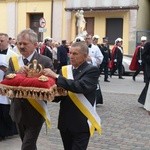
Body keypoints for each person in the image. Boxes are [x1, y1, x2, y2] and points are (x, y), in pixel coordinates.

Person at [43, 42, 102, 150]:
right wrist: (47, 93)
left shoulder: (91, 70)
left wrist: (56, 76)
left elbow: (80, 87)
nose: (71, 56)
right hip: (65, 121)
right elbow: (61, 94)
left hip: (81, 122)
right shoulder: (65, 70)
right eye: (70, 53)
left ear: (84, 56)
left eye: (75, 54)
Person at [7, 29, 53, 150]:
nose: (21, 46)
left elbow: (50, 85)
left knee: (27, 145)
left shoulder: (45, 61)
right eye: (19, 43)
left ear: (35, 44)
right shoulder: (13, 61)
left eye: (25, 44)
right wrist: (17, 73)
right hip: (18, 110)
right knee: (28, 144)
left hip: (36, 110)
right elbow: (7, 79)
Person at [0, 33, 18, 141]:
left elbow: (17, 72)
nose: (0, 43)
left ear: (7, 41)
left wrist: (6, 70)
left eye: (2, 41)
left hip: (6, 86)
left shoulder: (13, 55)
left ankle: (7, 131)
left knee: (5, 111)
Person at [85, 34, 104, 105]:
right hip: (83, 69)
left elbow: (100, 59)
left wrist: (91, 59)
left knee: (93, 85)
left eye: (89, 38)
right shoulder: (81, 47)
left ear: (91, 39)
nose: (87, 40)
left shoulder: (96, 48)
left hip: (92, 68)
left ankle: (95, 100)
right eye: (86, 38)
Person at [138, 42, 150, 113]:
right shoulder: (148, 44)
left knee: (148, 85)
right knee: (148, 84)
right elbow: (144, 55)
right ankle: (144, 101)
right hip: (148, 67)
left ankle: (142, 100)